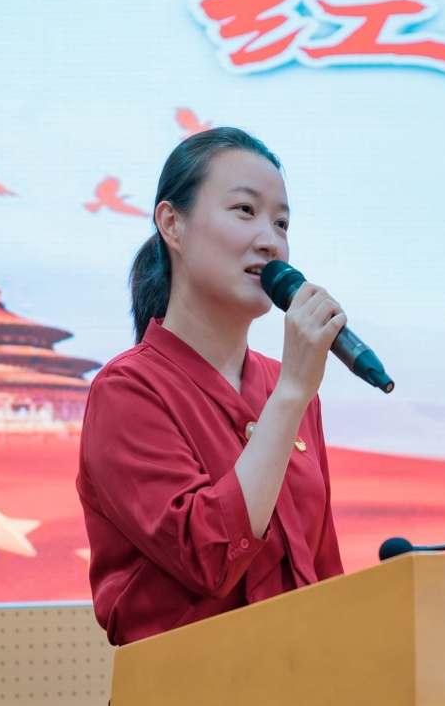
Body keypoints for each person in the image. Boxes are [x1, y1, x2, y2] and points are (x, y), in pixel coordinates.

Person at [77, 127, 345, 645]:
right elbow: (211, 556)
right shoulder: (127, 390)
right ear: (171, 224)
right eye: (245, 210)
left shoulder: (286, 384)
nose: (270, 241)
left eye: (282, 222)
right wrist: (292, 393)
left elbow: (323, 570)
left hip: (305, 674)